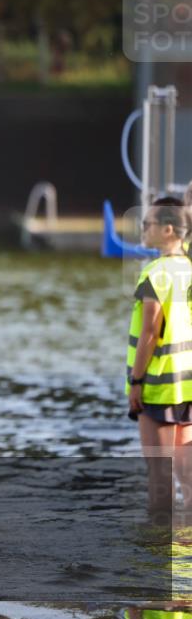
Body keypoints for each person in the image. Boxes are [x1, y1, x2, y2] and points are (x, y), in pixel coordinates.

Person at [126, 197, 192, 523]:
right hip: (189, 385)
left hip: (159, 386)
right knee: (188, 475)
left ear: (168, 230)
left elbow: (150, 333)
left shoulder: (156, 274)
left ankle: (156, 553)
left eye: (148, 223)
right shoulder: (190, 268)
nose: (143, 229)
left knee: (159, 473)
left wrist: (136, 382)